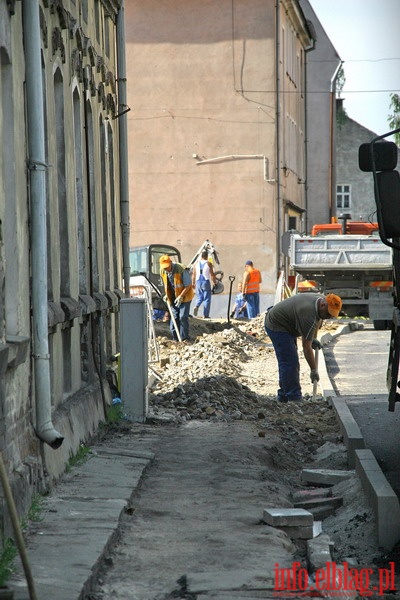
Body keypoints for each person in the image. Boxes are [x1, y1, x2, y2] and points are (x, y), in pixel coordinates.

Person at [264, 292, 342, 403]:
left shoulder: (319, 302)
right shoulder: (307, 312)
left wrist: (313, 338)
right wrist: (313, 370)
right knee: (290, 361)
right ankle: (294, 397)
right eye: (328, 313)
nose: (329, 317)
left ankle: (284, 396)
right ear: (323, 305)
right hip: (277, 325)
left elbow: (318, 321)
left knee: (289, 360)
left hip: (288, 324)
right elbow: (306, 347)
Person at [159, 255, 194, 342]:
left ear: (171, 263)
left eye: (167, 267)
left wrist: (181, 296)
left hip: (185, 296)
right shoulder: (162, 271)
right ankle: (176, 339)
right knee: (174, 317)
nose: (166, 269)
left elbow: (188, 285)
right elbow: (166, 284)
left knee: (182, 317)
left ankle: (185, 338)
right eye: (164, 268)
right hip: (173, 297)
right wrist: (166, 295)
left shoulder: (181, 269)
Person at [192, 250, 217, 318]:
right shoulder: (209, 263)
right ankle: (205, 315)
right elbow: (212, 275)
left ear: (201, 256)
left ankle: (196, 305)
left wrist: (193, 283)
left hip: (198, 282)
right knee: (207, 298)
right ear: (207, 257)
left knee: (200, 297)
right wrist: (215, 283)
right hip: (205, 281)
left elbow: (193, 274)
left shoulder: (196, 263)